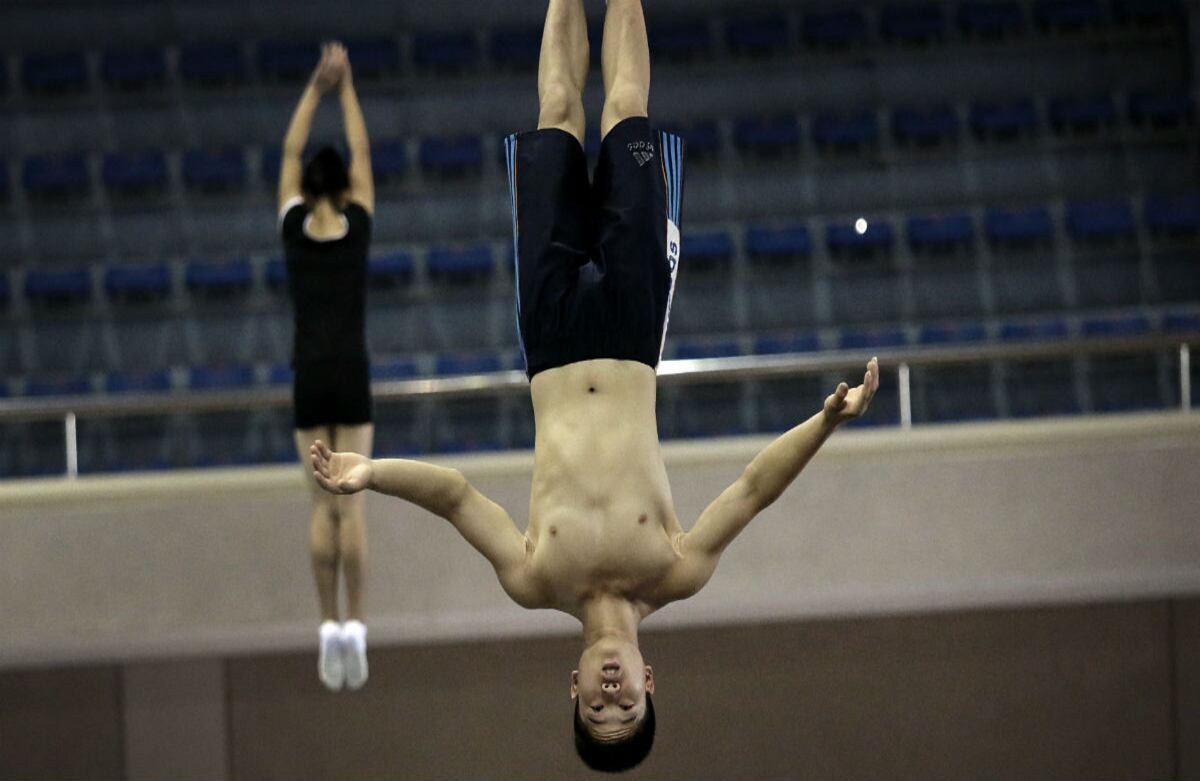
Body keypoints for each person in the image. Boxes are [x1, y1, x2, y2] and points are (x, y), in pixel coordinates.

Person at [310, 0, 881, 769]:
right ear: (650, 680)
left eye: (597, 708)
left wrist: (370, 472)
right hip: (630, 330)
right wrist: (825, 424)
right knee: (622, 109)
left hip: (548, 340)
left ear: (571, 687)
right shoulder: (675, 568)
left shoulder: (534, 576)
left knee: (554, 111)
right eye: (628, 705)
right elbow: (751, 491)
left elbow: (453, 496)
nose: (611, 694)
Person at [278, 42, 376, 692]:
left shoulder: (291, 229)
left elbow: (288, 155)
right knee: (352, 505)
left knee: (320, 504)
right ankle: (359, 627)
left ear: (306, 187)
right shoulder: (360, 225)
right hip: (352, 373)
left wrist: (314, 88)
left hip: (310, 374)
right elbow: (364, 156)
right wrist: (345, 91)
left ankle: (327, 626)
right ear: (343, 187)